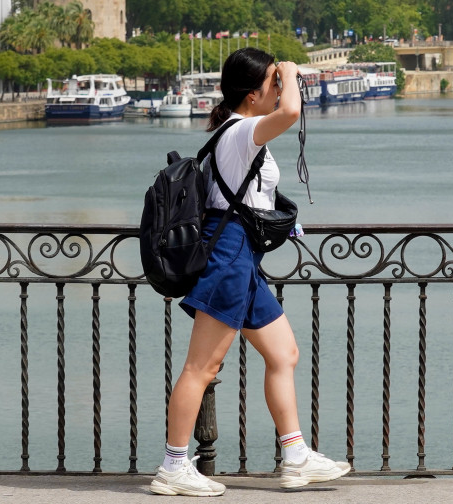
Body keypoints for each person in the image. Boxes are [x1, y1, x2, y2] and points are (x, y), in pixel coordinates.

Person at [149, 48, 350, 497]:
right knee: (202, 366)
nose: (278, 90)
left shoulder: (239, 131)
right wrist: (293, 74)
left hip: (243, 257)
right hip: (230, 256)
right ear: (253, 93)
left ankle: (296, 457)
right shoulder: (241, 131)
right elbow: (293, 111)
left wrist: (281, 77)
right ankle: (173, 466)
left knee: (284, 353)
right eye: (271, 84)